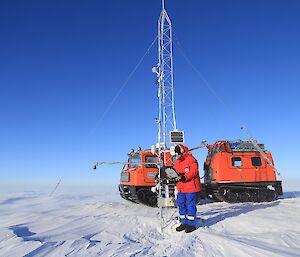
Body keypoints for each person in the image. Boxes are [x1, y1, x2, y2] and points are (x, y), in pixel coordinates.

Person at [173, 144, 201, 233]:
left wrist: (184, 177)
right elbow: (175, 171)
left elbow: (194, 171)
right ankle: (183, 222)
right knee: (180, 203)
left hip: (191, 187)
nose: (177, 156)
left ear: (182, 152)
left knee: (190, 205)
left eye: (178, 154)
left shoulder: (191, 159)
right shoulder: (177, 162)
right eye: (176, 154)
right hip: (181, 187)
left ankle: (191, 224)